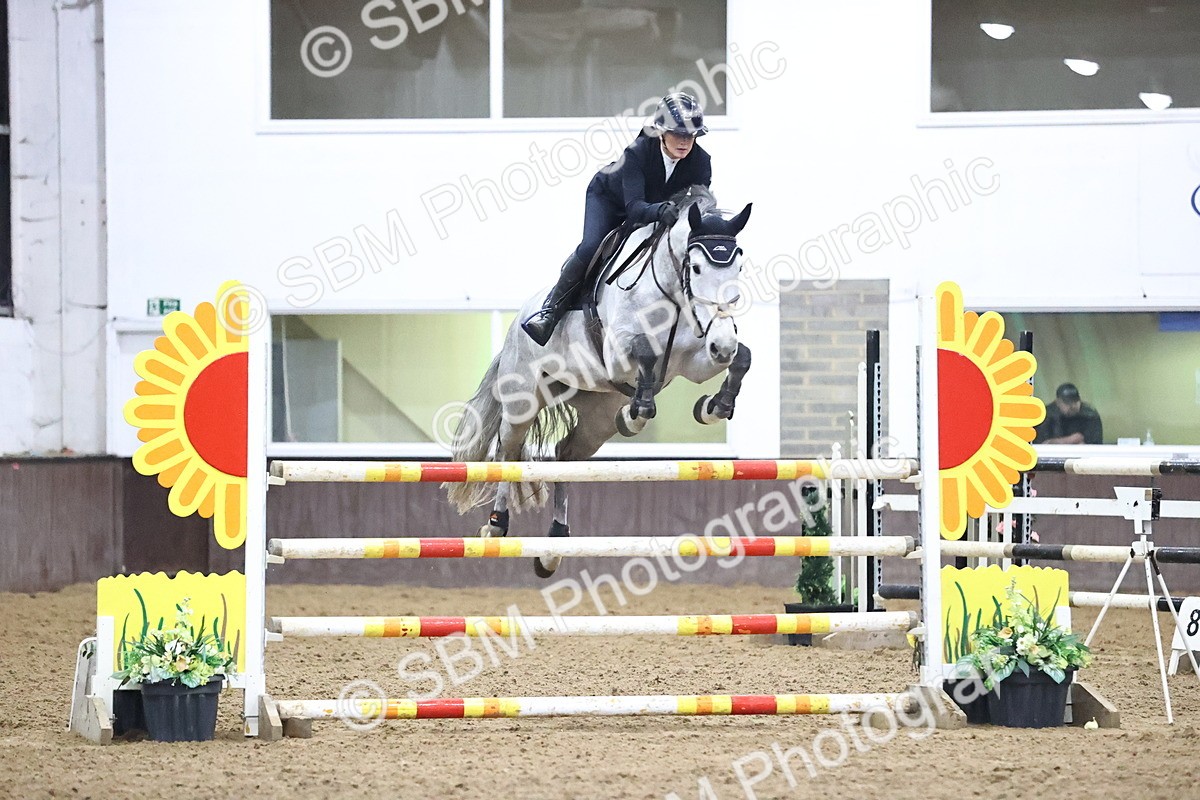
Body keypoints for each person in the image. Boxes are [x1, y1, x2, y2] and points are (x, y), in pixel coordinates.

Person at [521, 92, 713, 346]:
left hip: (654, 208)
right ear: (661, 131)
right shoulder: (637, 152)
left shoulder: (701, 162)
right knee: (592, 247)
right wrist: (659, 211)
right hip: (609, 200)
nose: (685, 142)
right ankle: (549, 312)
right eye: (678, 133)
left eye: (691, 135)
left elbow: (699, 205)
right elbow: (634, 209)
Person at [1034, 383, 1103, 444]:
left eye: (1075, 402)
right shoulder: (1046, 415)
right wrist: (1070, 440)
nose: (1072, 406)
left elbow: (1095, 444)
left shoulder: (1089, 414)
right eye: (1068, 403)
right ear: (1058, 402)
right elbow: (1042, 444)